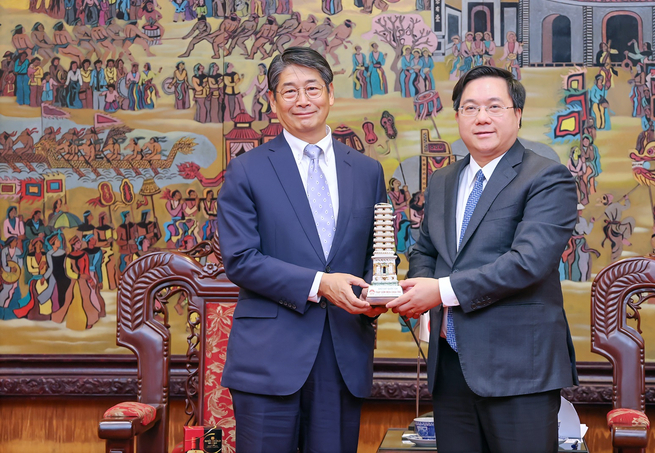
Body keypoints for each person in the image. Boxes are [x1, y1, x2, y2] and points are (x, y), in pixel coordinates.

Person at [387, 65, 579, 451]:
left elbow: (528, 262)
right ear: (457, 116)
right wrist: (416, 294)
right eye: (470, 108)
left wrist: (439, 291)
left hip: (518, 368)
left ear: (517, 114)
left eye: (494, 106)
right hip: (451, 368)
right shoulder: (443, 180)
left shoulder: (547, 178)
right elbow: (424, 249)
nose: (482, 117)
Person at [217, 47, 387, 452]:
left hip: (343, 353)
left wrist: (377, 293)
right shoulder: (247, 169)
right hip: (269, 358)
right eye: (289, 91)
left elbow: (375, 252)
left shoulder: (366, 171)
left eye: (312, 88)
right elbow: (240, 260)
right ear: (273, 102)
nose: (303, 100)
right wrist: (320, 283)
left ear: (330, 93)